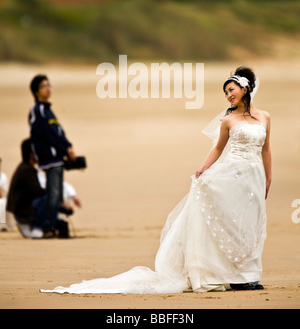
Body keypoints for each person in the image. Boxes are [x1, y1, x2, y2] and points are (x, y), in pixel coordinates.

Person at [41, 66, 271, 294]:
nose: (228, 95)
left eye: (231, 90)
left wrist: (268, 178)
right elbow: (218, 149)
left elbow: (266, 150)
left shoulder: (264, 117)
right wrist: (202, 169)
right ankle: (237, 277)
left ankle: (249, 275)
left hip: (254, 177)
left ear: (244, 88)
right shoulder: (228, 121)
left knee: (250, 223)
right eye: (225, 92)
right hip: (232, 176)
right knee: (231, 223)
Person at [28, 74, 76, 234]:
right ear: (35, 91)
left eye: (49, 85)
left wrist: (68, 147)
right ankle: (46, 225)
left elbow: (58, 132)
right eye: (43, 86)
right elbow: (47, 134)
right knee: (52, 193)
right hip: (49, 158)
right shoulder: (38, 110)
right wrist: (64, 149)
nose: (48, 88)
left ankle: (51, 224)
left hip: (57, 156)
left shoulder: (47, 110)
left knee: (56, 194)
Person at [6, 139, 46, 238]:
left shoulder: (26, 168)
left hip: (23, 212)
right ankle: (35, 227)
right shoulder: (26, 170)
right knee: (47, 198)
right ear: (32, 155)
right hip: (23, 215)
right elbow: (38, 192)